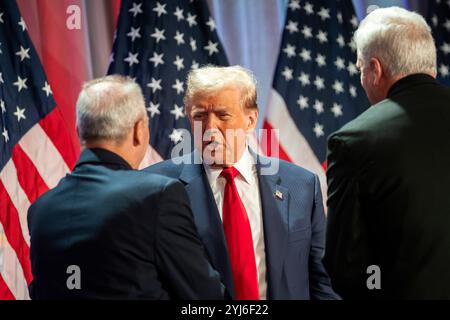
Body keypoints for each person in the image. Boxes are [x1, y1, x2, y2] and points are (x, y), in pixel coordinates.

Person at [145, 65, 338, 300]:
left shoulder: (302, 185)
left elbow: (321, 281)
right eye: (200, 116)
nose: (210, 128)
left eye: (223, 115)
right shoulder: (155, 187)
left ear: (250, 120)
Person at [28, 75, 223, 299]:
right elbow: (204, 296)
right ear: (139, 129)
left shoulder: (40, 210)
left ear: (79, 129)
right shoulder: (157, 197)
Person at [324, 7, 450, 299]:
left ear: (375, 69)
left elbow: (346, 267)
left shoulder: (353, 141)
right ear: (429, 66)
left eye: (359, 69)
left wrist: (380, 287)